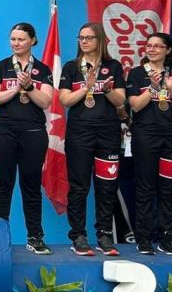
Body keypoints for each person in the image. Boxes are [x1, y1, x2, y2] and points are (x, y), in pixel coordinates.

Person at [0, 22, 54, 255]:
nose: (16, 43)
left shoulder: (43, 69)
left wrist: (30, 87)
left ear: (33, 40)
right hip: (3, 131)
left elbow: (46, 102)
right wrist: (16, 89)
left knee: (31, 185)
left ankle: (35, 237)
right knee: (3, 183)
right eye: (13, 39)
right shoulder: (2, 66)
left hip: (33, 132)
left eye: (21, 39)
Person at [59, 22, 127, 256]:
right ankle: (78, 235)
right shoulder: (71, 67)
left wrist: (106, 89)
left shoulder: (113, 66)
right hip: (79, 134)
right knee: (79, 187)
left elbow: (120, 101)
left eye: (89, 37)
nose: (84, 41)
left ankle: (105, 235)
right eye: (81, 38)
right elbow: (65, 100)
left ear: (100, 40)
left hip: (108, 133)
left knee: (106, 186)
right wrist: (84, 88)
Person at [126, 32, 172, 255]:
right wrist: (153, 88)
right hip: (145, 137)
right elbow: (134, 105)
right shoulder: (136, 74)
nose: (151, 49)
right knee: (145, 188)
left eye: (157, 46)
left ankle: (166, 238)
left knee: (168, 189)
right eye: (148, 45)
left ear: (167, 50)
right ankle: (143, 238)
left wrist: (171, 89)